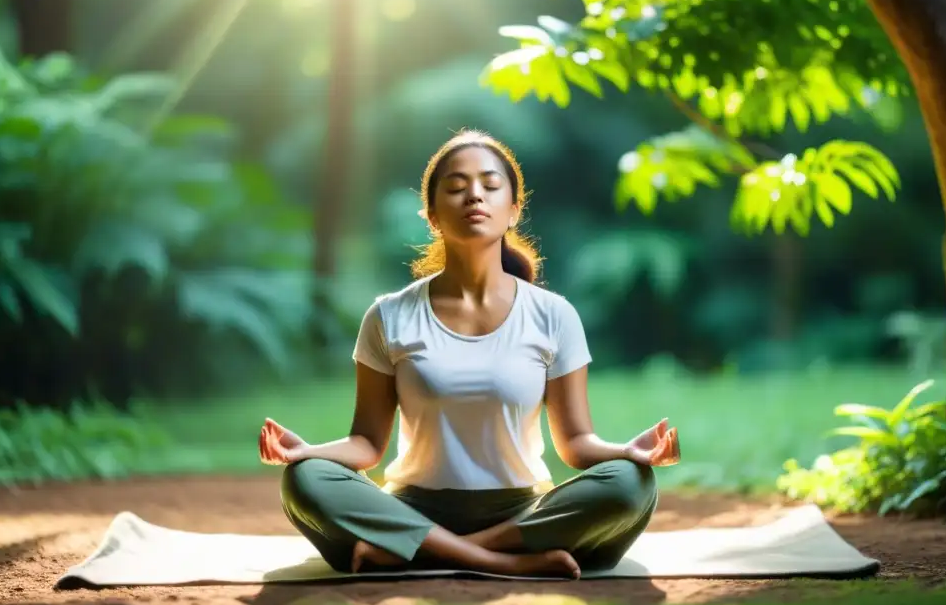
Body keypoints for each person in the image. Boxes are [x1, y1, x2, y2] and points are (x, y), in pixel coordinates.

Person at [258, 130, 680, 579]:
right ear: (433, 215)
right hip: (412, 507)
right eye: (456, 188)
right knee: (305, 479)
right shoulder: (388, 315)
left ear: (514, 210)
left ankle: (420, 553)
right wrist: (308, 452)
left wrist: (626, 451)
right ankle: (498, 562)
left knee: (629, 484)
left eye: (490, 185)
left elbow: (576, 443)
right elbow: (367, 444)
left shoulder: (554, 316)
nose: (474, 195)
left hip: (522, 510)